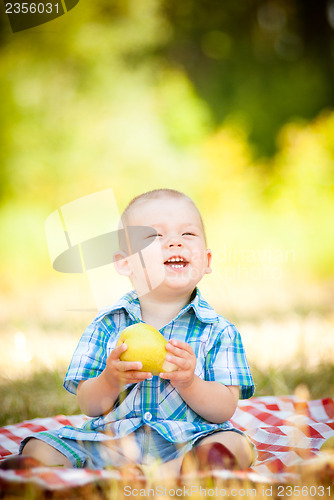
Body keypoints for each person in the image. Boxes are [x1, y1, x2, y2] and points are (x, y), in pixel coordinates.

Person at [19, 188, 255, 476]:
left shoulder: (218, 331)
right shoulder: (107, 324)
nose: (174, 243)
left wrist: (190, 383)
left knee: (234, 444)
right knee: (38, 446)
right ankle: (33, 474)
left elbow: (224, 409)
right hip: (110, 442)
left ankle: (166, 476)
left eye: (188, 235)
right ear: (124, 262)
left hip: (186, 443)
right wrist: (110, 379)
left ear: (206, 260)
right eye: (155, 236)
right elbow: (89, 404)